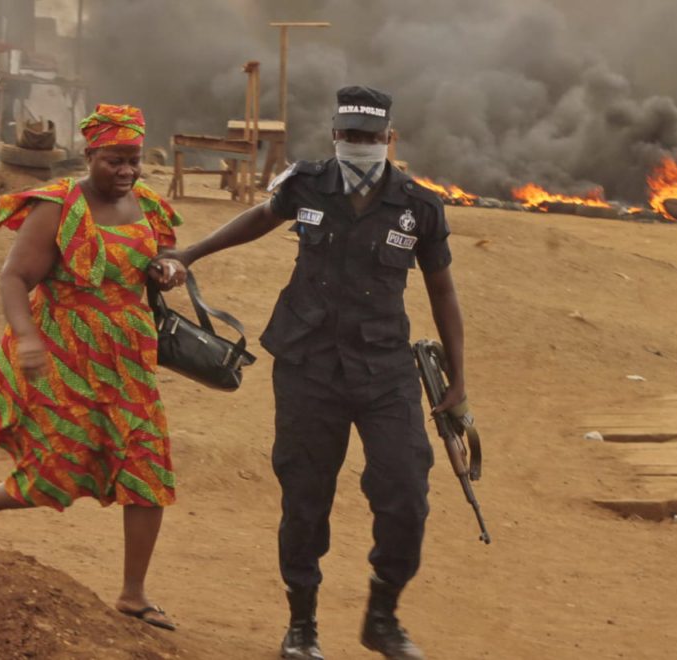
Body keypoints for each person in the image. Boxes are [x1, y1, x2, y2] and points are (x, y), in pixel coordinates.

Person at [170, 86, 466, 659]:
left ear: (390, 140)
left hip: (384, 368)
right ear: (335, 135)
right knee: (305, 497)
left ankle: (382, 616)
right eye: (351, 136)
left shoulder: (419, 205)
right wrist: (189, 255)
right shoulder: (305, 183)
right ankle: (301, 625)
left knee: (406, 493)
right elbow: (256, 219)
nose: (360, 146)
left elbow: (443, 291)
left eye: (371, 137)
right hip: (308, 365)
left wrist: (458, 380)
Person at [0, 104, 187, 631]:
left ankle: (133, 593)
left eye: (133, 160)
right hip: (64, 358)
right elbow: (14, 277)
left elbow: (164, 252)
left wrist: (169, 266)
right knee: (59, 467)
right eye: (114, 160)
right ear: (89, 155)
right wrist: (27, 338)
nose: (126, 171)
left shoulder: (146, 203)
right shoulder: (58, 206)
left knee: (148, 469)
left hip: (130, 363)